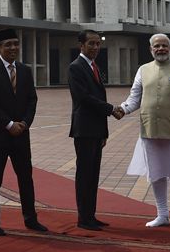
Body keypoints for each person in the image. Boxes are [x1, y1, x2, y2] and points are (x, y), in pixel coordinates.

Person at [113, 33, 170, 230]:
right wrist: (122, 109)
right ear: (151, 49)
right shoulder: (143, 70)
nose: (160, 49)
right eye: (157, 46)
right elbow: (134, 98)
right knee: (157, 173)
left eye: (164, 46)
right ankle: (162, 214)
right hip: (150, 130)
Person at [0, 28, 48, 236]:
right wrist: (9, 124)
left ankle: (31, 219)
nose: (13, 48)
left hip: (21, 135)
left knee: (26, 178)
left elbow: (32, 99)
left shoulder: (25, 71)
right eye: (8, 44)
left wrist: (25, 123)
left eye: (15, 44)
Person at [68, 29, 119, 231]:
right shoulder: (76, 67)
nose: (96, 47)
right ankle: (83, 218)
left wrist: (104, 132)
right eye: (92, 44)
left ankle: (91, 215)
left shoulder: (93, 66)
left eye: (98, 44)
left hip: (96, 130)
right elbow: (84, 98)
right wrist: (111, 110)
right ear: (81, 45)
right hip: (84, 129)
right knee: (84, 175)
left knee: (93, 174)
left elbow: (99, 96)